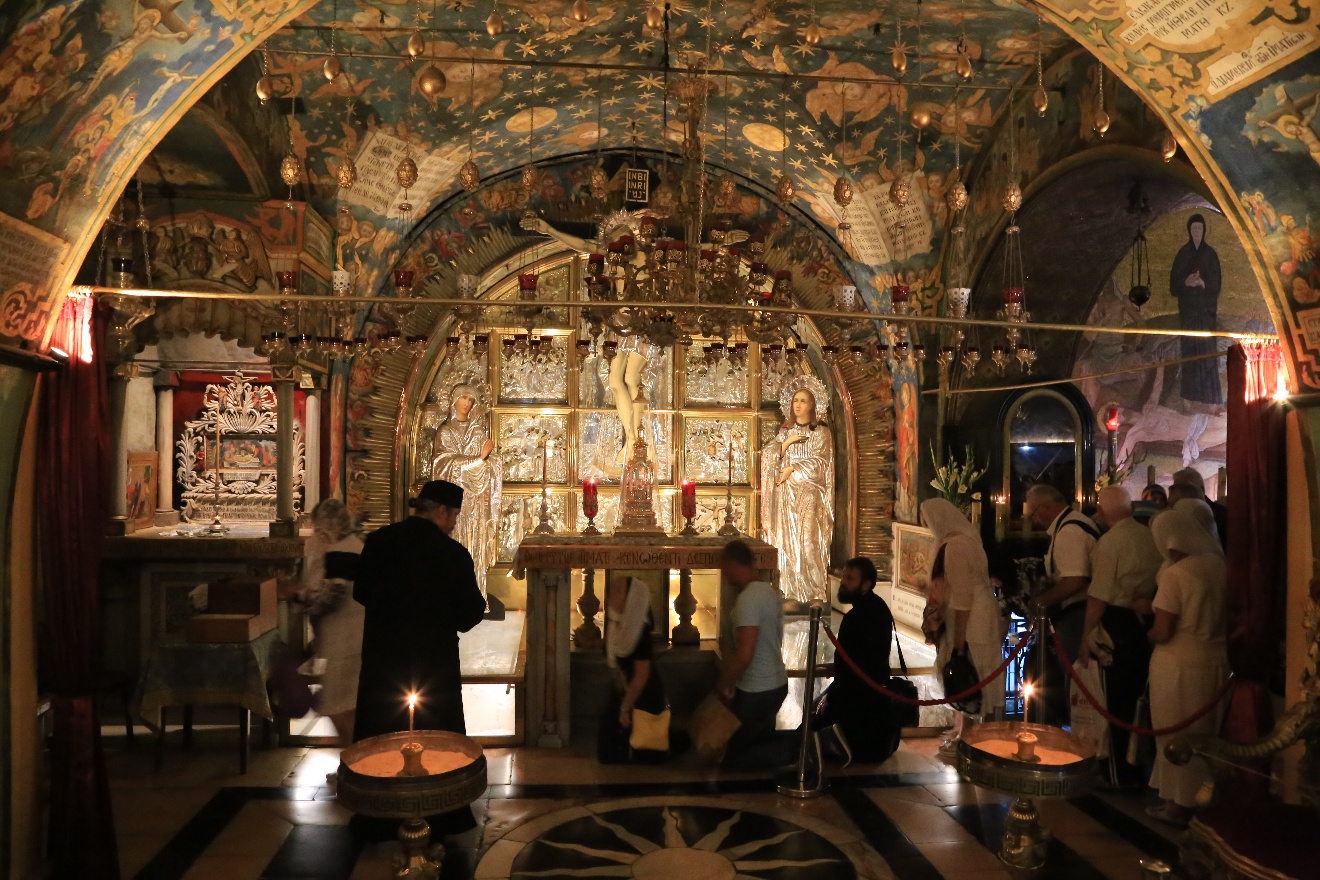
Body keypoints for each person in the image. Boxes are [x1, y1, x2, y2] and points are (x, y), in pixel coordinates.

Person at [352, 480, 487, 835]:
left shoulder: (378, 542)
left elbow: (361, 592)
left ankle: (376, 816)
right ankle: (442, 813)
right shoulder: (451, 553)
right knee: (435, 735)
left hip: (383, 663)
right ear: (441, 511)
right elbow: (469, 615)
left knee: (381, 733)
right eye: (454, 516)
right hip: (433, 667)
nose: (453, 523)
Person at [1147, 509, 1229, 826]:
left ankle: (1178, 804)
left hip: (1177, 664)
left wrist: (1146, 633)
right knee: (1207, 733)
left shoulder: (1176, 574)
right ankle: (1205, 798)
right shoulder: (1219, 565)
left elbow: (1163, 630)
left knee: (1176, 735)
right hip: (1217, 662)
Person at [1078, 486, 1163, 787]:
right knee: (1136, 700)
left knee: (1114, 703)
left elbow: (1098, 596)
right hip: (1143, 623)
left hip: (1115, 625)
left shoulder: (1110, 542)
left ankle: (1117, 775)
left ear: (1102, 512)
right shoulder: (1149, 536)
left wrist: (1086, 637)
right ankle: (1136, 771)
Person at [922, 499, 1007, 756]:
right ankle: (966, 733)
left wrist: (958, 643)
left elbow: (962, 597)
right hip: (978, 615)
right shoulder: (966, 541)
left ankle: (971, 738)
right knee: (973, 675)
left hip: (971, 621)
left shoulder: (956, 546)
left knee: (969, 673)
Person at [278, 499, 364, 745]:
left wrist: (297, 594)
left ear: (327, 528)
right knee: (346, 706)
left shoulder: (345, 552)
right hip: (345, 639)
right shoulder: (349, 545)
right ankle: (353, 758)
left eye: (318, 529)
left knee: (338, 706)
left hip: (347, 641)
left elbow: (331, 599)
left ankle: (353, 760)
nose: (317, 535)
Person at [812, 557, 899, 766]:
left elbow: (857, 671)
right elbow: (861, 658)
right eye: (844, 577)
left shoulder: (858, 617)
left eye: (850, 579)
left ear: (866, 584)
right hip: (868, 695)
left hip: (859, 703)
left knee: (809, 730)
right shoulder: (877, 606)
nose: (843, 582)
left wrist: (831, 700)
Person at [716, 539, 794, 771]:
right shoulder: (768, 592)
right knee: (758, 747)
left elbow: (744, 655)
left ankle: (803, 748)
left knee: (737, 759)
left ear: (732, 564)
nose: (723, 574)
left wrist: (724, 683)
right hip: (775, 683)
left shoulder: (748, 599)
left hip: (757, 690)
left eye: (724, 567)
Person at [760, 374, 836, 609]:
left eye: (803, 401)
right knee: (789, 543)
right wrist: (787, 442)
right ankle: (792, 592)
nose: (798, 405)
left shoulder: (821, 433)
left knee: (809, 541)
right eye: (795, 401)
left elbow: (821, 464)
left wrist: (793, 468)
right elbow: (769, 456)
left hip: (810, 493)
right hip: (787, 495)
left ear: (812, 405)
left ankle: (815, 592)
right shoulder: (786, 432)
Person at [1026, 483, 1100, 722]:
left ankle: (1076, 733)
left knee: (1075, 682)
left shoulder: (1069, 531)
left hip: (1078, 614)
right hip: (1078, 612)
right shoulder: (1072, 524)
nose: (1035, 519)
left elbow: (1076, 580)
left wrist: (1040, 601)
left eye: (1034, 512)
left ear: (1043, 507)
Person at [431, 382, 502, 602]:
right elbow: (442, 464)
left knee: (474, 545)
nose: (467, 404)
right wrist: (477, 459)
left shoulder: (477, 432)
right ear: (454, 401)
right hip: (454, 503)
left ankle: (475, 594)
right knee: (454, 543)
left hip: (475, 500)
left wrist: (487, 462)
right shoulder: (445, 432)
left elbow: (491, 463)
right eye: (463, 398)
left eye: (471, 400)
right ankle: (452, 595)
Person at [598, 576, 672, 763]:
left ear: (630, 599)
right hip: (624, 690)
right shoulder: (619, 623)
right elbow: (615, 649)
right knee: (608, 751)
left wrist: (625, 708)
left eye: (618, 591)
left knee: (629, 750)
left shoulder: (639, 630)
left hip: (642, 697)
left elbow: (642, 675)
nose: (611, 595)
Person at [1169, 213, 1223, 405]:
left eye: (1200, 228)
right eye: (1194, 228)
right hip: (1189, 313)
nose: (1197, 231)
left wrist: (1203, 283)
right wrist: (1186, 282)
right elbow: (1173, 287)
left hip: (1206, 314)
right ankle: (1189, 397)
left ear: (1204, 230)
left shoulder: (1211, 255)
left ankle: (1209, 397)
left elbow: (1216, 284)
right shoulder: (1183, 254)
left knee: (1207, 353)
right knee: (1190, 352)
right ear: (1189, 231)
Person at [1171, 467, 1228, 551]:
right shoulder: (1173, 514)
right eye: (1176, 489)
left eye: (1185, 488)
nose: (1179, 493)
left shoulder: (1221, 514)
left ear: (1201, 489)